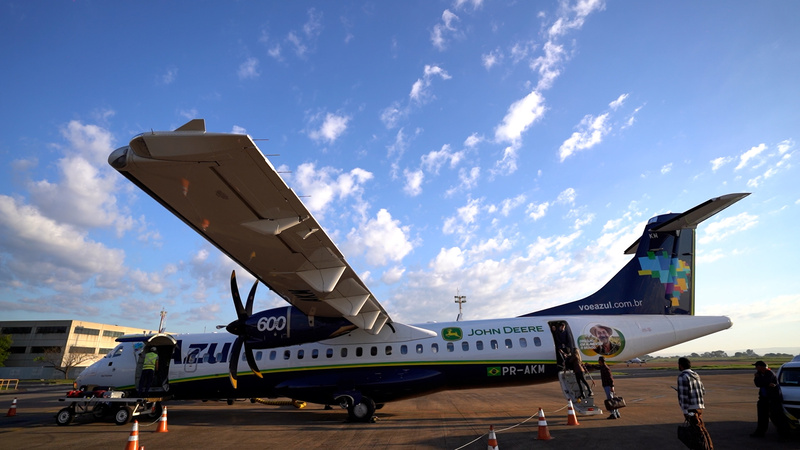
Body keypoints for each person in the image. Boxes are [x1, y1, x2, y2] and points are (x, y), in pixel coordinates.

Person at [677, 357, 713, 449]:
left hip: (691, 409)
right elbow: (703, 391)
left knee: (697, 431)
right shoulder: (696, 375)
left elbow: (684, 396)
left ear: (680, 365)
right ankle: (709, 447)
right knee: (701, 428)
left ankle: (705, 448)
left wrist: (685, 411)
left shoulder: (682, 376)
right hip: (699, 407)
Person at [751, 360, 791, 439]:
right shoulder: (759, 374)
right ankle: (760, 432)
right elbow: (758, 384)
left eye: (757, 366)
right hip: (763, 398)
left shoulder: (770, 373)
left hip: (773, 399)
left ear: (761, 367)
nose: (755, 368)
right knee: (762, 416)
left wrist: (761, 380)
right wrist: (764, 382)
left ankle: (784, 435)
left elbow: (765, 382)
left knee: (777, 417)